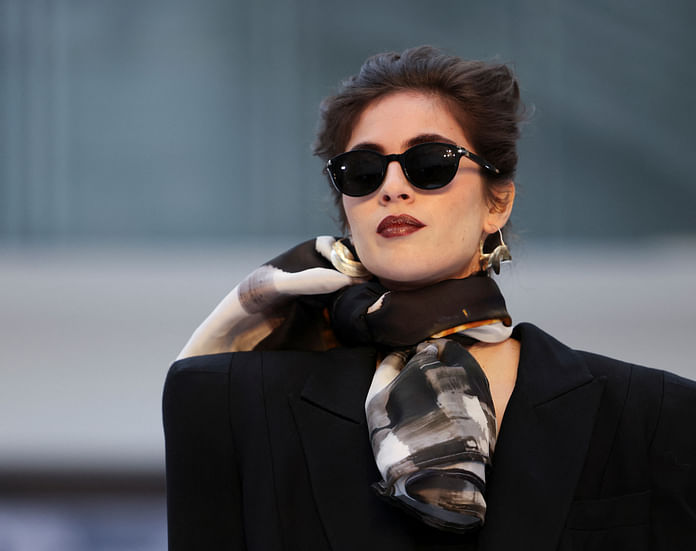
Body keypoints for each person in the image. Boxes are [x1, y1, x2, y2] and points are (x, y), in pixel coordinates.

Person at [163, 46, 696, 550]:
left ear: (498, 202)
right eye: (363, 172)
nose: (392, 187)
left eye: (430, 163)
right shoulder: (226, 402)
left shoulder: (654, 414)